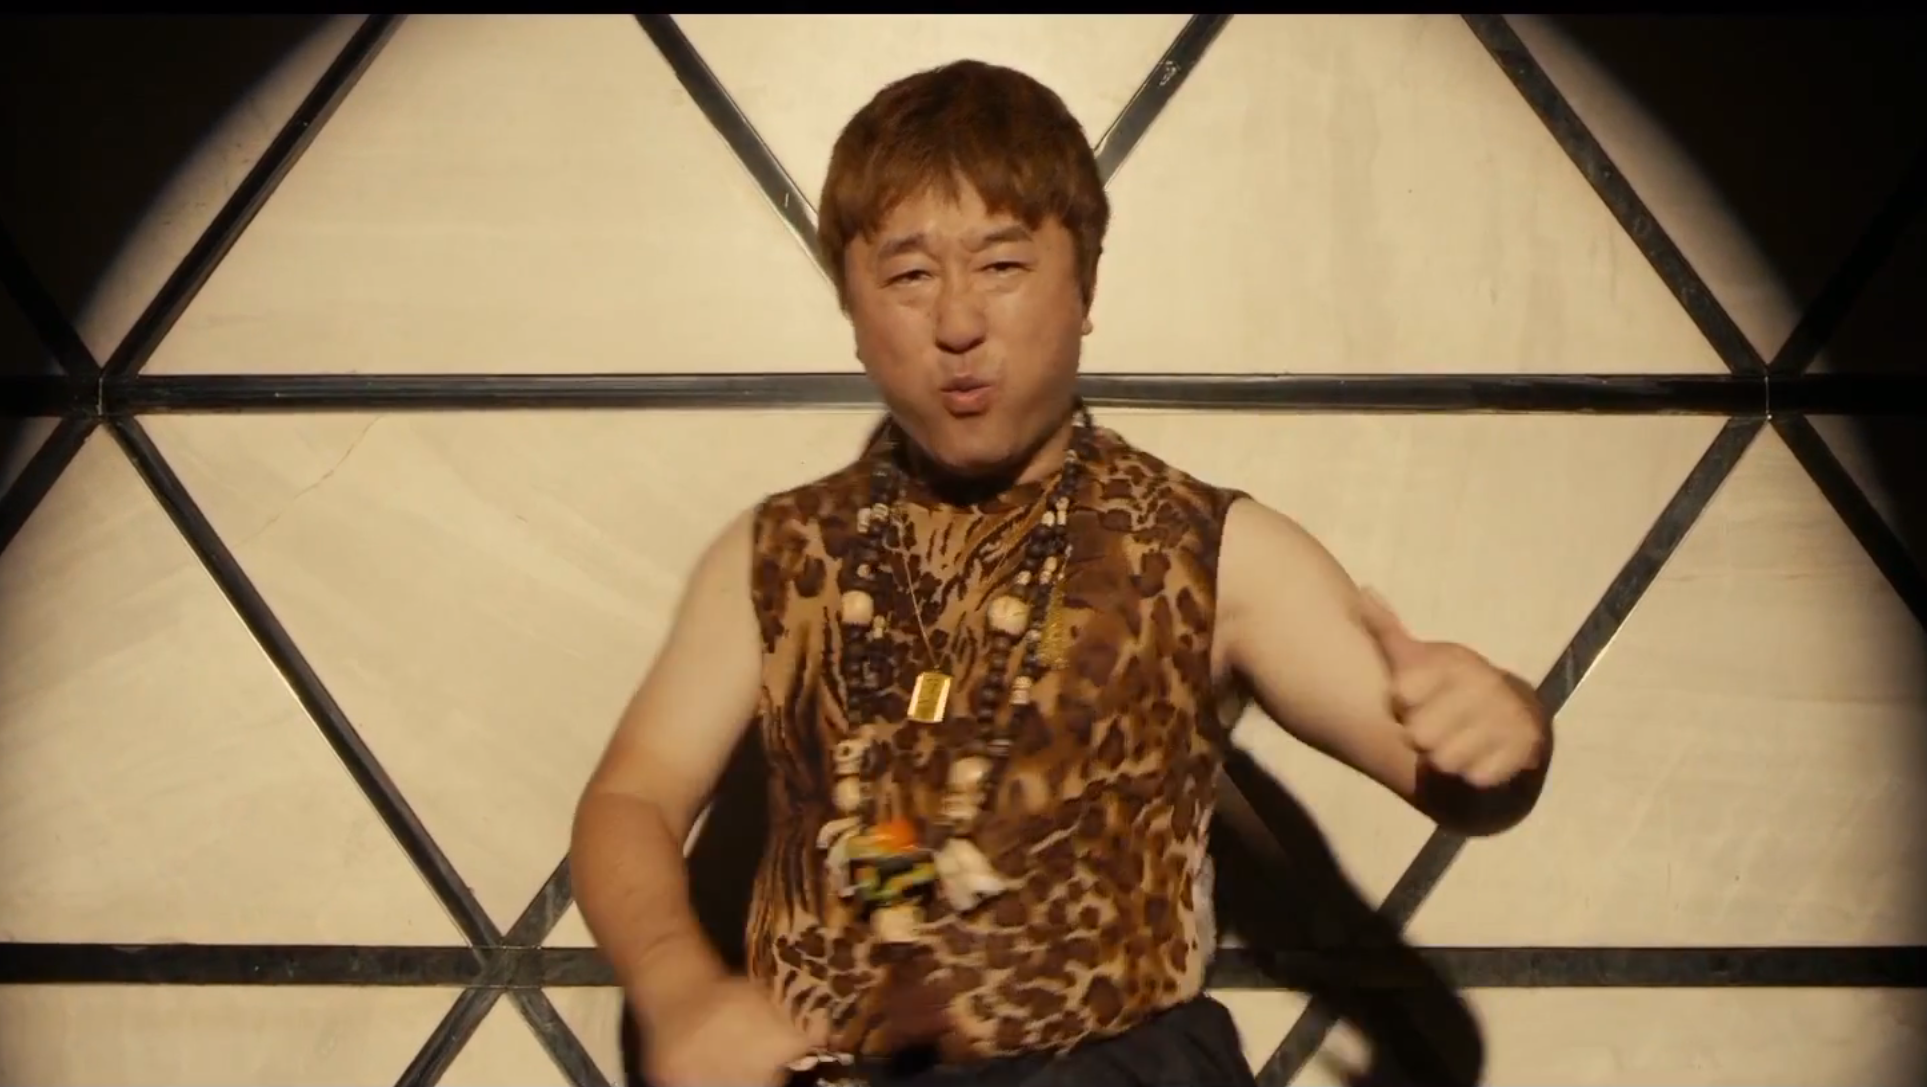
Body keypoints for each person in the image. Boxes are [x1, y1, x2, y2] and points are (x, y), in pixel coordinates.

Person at [570, 58, 1553, 1087]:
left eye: (1001, 264)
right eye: (908, 276)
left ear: (1084, 286)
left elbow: (1456, 778)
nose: (958, 323)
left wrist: (1504, 732)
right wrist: (678, 989)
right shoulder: (779, 552)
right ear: (852, 313)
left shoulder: (1207, 548)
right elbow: (632, 796)